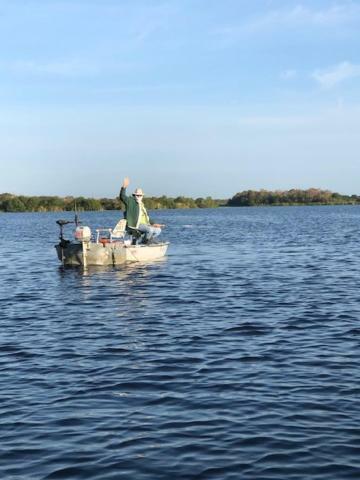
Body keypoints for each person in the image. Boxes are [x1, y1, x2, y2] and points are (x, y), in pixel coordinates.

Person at [119, 177, 165, 244]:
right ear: (134, 195)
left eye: (140, 195)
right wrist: (124, 187)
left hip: (145, 224)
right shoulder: (130, 201)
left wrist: (154, 224)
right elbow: (122, 196)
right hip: (136, 225)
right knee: (150, 230)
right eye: (137, 195)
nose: (138, 197)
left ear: (142, 196)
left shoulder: (142, 205)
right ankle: (145, 241)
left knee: (158, 230)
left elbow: (146, 218)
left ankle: (145, 240)